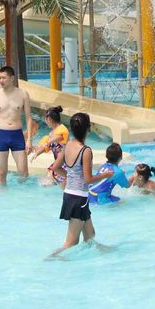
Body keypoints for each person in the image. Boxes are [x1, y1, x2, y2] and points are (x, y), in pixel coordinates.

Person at [50, 112, 113, 256]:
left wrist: (69, 177)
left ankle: (95, 256)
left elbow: (56, 168)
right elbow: (88, 179)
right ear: (88, 129)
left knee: (90, 236)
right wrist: (106, 175)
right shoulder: (86, 151)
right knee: (71, 243)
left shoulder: (67, 145)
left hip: (70, 195)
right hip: (79, 199)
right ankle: (51, 259)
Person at [0, 66, 33, 185]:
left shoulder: (23, 94)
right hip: (1, 135)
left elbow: (28, 118)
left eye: (4, 78)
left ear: (12, 78)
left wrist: (29, 140)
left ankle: (22, 194)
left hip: (17, 135)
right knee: (1, 173)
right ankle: (2, 195)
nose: (1, 80)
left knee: (23, 172)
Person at [30, 105, 69, 187]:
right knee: (45, 182)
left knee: (61, 184)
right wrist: (36, 153)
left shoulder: (62, 129)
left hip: (66, 163)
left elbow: (59, 137)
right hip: (58, 163)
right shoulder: (51, 133)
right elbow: (45, 148)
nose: (45, 121)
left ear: (49, 119)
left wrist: (48, 142)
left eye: (45, 119)